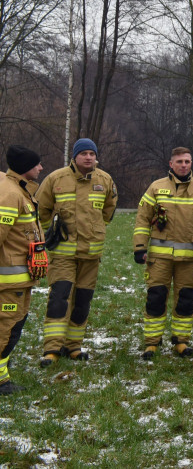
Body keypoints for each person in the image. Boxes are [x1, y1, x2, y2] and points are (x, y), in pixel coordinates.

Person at [35, 138, 117, 366]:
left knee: (82, 301)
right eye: (84, 154)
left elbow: (109, 210)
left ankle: (73, 346)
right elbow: (41, 210)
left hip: (91, 255)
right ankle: (52, 348)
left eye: (92, 153)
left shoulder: (105, 180)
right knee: (59, 298)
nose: (89, 157)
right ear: (75, 156)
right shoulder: (56, 178)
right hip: (63, 253)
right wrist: (50, 227)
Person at [133, 147, 193, 360]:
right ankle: (152, 342)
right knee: (156, 297)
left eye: (187, 161)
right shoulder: (156, 187)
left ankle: (181, 341)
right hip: (159, 259)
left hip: (189, 260)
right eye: (179, 161)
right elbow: (143, 219)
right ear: (171, 164)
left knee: (186, 300)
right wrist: (139, 247)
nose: (184, 165)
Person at [0, 146, 46, 393]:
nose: (40, 168)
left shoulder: (20, 190)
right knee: (6, 328)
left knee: (12, 326)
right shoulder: (10, 194)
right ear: (25, 167)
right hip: (9, 281)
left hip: (20, 280)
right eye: (37, 164)